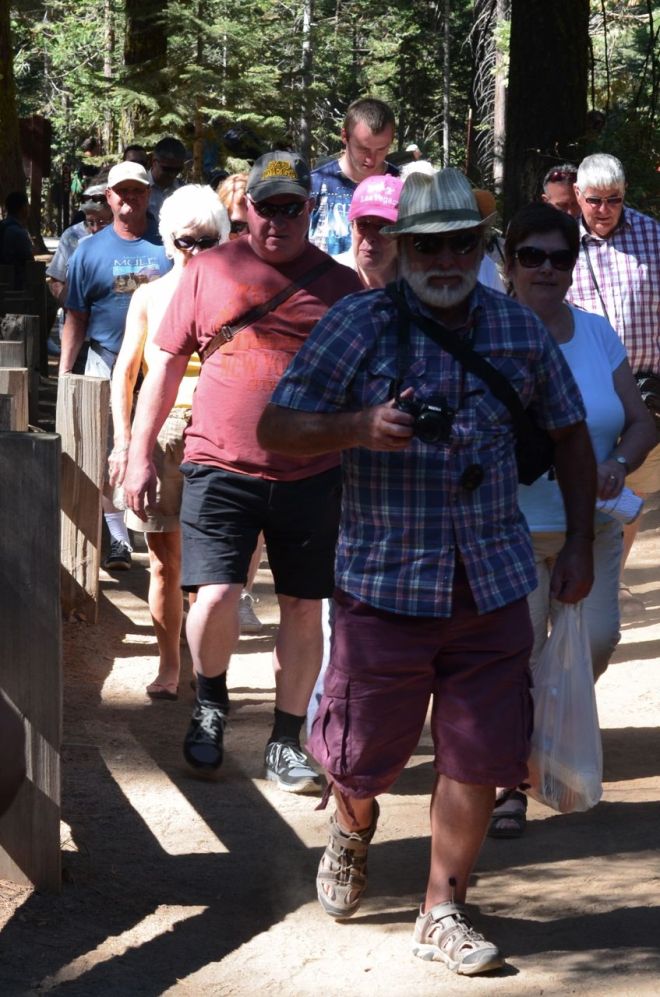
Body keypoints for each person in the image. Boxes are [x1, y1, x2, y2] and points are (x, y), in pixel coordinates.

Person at [256, 168, 596, 975]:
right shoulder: (356, 325)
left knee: (480, 753)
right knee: (362, 754)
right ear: (402, 248)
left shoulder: (519, 331)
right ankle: (351, 823)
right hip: (384, 583)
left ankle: (443, 905)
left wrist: (580, 540)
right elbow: (276, 428)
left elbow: (572, 436)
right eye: (428, 245)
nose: (445, 259)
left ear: (482, 249)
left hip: (493, 579)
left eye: (460, 244)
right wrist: (359, 425)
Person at [122, 151, 362, 790]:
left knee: (303, 608)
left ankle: (287, 740)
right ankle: (208, 705)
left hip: (312, 473)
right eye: (266, 206)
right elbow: (165, 366)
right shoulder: (209, 270)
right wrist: (139, 451)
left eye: (292, 207)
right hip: (218, 463)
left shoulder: (340, 287)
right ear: (245, 207)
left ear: (311, 208)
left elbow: (365, 384)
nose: (278, 219)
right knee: (217, 594)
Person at [488, 203, 656, 838]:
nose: (547, 269)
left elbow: (640, 421)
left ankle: (544, 742)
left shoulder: (596, 334)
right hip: (513, 531)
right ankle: (511, 780)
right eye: (532, 256)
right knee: (519, 652)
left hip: (596, 524)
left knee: (597, 641)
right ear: (509, 264)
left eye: (561, 257)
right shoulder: (488, 334)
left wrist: (617, 461)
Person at [109, 185, 230, 700]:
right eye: (186, 241)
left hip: (218, 436)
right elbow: (125, 374)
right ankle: (168, 664)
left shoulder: (237, 295)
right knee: (164, 562)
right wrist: (124, 442)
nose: (196, 252)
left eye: (208, 240)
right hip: (160, 435)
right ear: (168, 240)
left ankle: (210, 675)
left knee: (212, 570)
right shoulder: (150, 295)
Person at [60, 160, 171, 571]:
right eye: (121, 191)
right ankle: (117, 538)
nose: (129, 198)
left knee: (163, 446)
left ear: (148, 194)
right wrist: (65, 375)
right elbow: (76, 315)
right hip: (104, 360)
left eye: (137, 191)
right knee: (107, 451)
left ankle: (161, 530)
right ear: (109, 197)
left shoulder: (170, 243)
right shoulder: (89, 250)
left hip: (161, 362)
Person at [567, 153, 660, 612]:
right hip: (585, 392)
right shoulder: (560, 243)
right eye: (595, 201)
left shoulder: (652, 235)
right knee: (583, 486)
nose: (604, 209)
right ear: (578, 197)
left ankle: (608, 581)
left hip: (645, 394)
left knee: (631, 492)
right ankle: (583, 580)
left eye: (614, 200)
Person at [216, 171, 265, 633]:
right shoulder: (210, 273)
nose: (238, 234)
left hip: (262, 420)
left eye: (243, 223)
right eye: (230, 225)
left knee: (257, 519)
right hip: (211, 422)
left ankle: (246, 591)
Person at [309, 97, 399, 256]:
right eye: (363, 149)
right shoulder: (313, 185)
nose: (371, 159)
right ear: (345, 136)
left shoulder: (402, 186)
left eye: (381, 149)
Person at [334, 174, 403, 288]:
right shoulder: (329, 278)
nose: (370, 238)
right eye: (362, 225)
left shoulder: (418, 285)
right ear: (352, 225)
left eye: (383, 227)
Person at [0, 191, 34, 287]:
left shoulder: (2, 226)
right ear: (23, 208)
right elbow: (30, 264)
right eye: (27, 205)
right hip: (15, 286)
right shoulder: (19, 233)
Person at [148, 137, 187, 220]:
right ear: (154, 162)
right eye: (168, 169)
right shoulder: (138, 188)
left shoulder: (184, 192)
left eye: (178, 170)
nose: (172, 174)